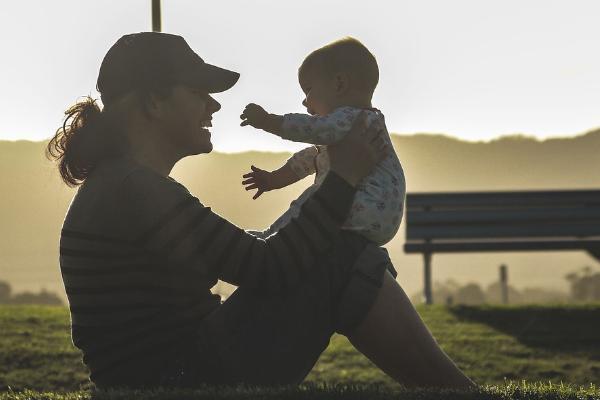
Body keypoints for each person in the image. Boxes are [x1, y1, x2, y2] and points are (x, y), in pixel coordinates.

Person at [47, 32, 474, 389]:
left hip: (169, 374)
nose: (213, 106)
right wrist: (344, 176)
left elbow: (238, 253)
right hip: (181, 380)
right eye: (199, 93)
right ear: (153, 102)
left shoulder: (122, 186)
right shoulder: (133, 190)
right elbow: (268, 267)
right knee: (345, 254)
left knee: (340, 250)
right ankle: (459, 393)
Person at [240, 37, 405, 246]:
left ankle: (271, 239)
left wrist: (268, 121)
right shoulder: (363, 125)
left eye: (308, 90)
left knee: (312, 201)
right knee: (318, 202)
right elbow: (312, 158)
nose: (304, 101)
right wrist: (274, 179)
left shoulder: (352, 118)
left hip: (363, 206)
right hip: (379, 219)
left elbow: (311, 129)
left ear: (339, 84)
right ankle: (272, 237)